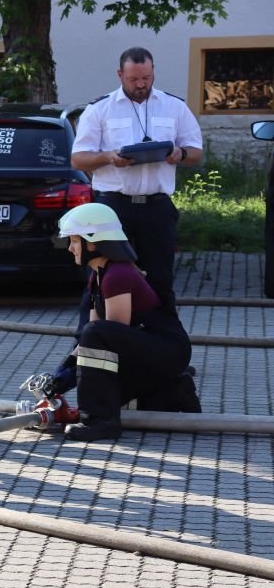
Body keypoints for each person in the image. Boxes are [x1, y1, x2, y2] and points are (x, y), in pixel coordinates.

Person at [43, 203, 200, 442]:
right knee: (108, 388)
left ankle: (101, 422)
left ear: (92, 242)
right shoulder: (100, 275)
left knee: (99, 355)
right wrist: (64, 371)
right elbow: (91, 339)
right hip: (153, 348)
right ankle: (174, 390)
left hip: (168, 349)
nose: (70, 248)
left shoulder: (118, 276)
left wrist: (82, 379)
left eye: (74, 241)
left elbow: (111, 336)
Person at [71, 47, 203, 311]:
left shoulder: (174, 107)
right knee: (102, 277)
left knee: (160, 280)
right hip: (112, 206)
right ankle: (88, 341)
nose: (141, 85)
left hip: (156, 207)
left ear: (153, 72)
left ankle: (164, 341)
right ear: (120, 74)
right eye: (134, 79)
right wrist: (109, 157)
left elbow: (196, 153)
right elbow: (78, 159)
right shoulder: (100, 109)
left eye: (146, 78)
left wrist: (180, 153)